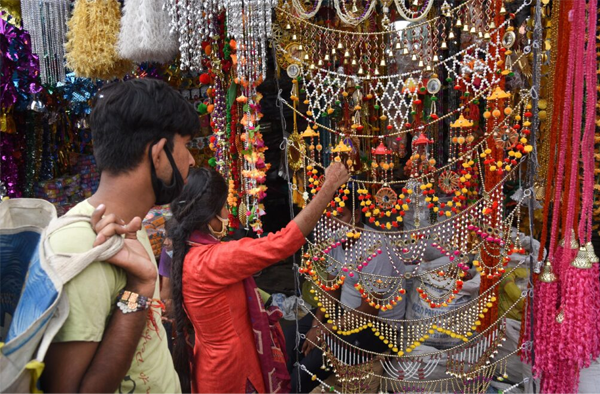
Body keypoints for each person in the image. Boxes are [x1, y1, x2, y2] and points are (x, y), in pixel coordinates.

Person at [40, 78, 198, 393]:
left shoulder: (125, 226)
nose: (192, 160)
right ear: (157, 154)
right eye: (186, 145)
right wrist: (139, 287)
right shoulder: (82, 245)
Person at [169, 163, 349, 393]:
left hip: (212, 366)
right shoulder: (211, 260)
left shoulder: (188, 250)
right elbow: (284, 242)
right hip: (233, 371)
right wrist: (329, 187)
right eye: (224, 206)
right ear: (209, 215)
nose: (227, 213)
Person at [286, 188, 406, 393]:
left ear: (356, 216)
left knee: (303, 375)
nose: (332, 223)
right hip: (345, 313)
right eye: (328, 217)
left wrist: (323, 330)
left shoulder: (376, 249)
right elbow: (333, 288)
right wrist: (316, 323)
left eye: (340, 216)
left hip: (377, 326)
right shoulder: (336, 240)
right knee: (289, 340)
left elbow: (369, 311)